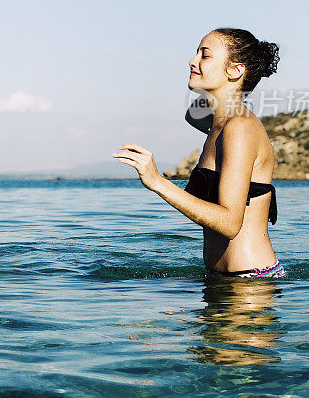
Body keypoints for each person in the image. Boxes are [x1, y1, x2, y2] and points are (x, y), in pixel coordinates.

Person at [112, 28, 285, 278]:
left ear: (235, 70)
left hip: (249, 284)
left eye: (205, 55)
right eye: (196, 53)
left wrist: (158, 181)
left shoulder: (240, 128)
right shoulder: (220, 123)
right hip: (221, 280)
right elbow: (192, 113)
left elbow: (229, 223)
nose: (192, 60)